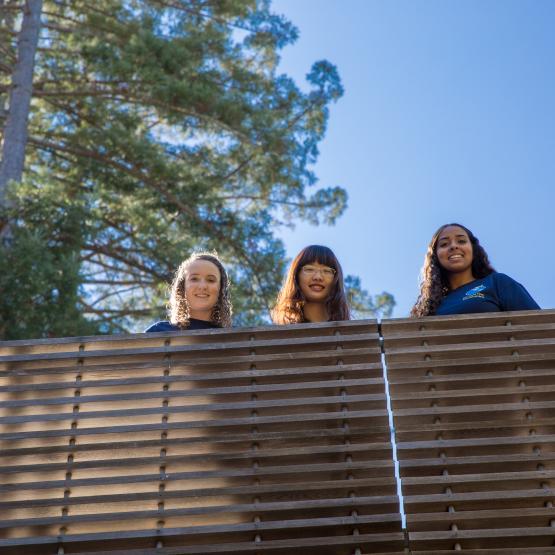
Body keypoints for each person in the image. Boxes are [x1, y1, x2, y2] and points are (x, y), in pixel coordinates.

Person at [411, 223, 540, 317]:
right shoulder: (430, 307)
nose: (454, 246)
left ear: (473, 250)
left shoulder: (497, 283)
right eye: (444, 244)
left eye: (461, 241)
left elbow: (537, 326)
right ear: (435, 256)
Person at [145, 252, 232, 332]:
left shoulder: (232, 337)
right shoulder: (158, 331)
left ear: (221, 288)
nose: (202, 286)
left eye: (210, 280)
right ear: (182, 287)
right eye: (194, 279)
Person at [272, 244, 350, 324]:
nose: (318, 277)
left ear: (336, 278)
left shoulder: (350, 330)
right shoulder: (281, 331)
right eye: (309, 269)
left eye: (327, 271)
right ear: (296, 275)